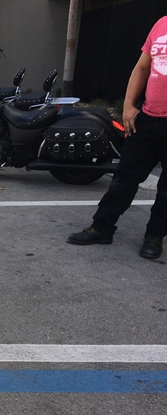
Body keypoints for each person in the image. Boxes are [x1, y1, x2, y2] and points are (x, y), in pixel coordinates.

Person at [67, 16, 167, 259]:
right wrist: (129, 106)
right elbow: (143, 66)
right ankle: (102, 227)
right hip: (147, 118)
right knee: (124, 177)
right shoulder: (161, 23)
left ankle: (154, 236)